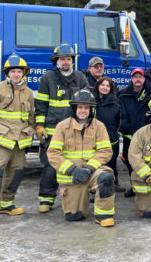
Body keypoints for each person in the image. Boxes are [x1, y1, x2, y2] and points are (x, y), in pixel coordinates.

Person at [0, 53, 35, 223]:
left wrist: (30, 134)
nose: (16, 74)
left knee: (16, 173)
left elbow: (31, 117)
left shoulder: (28, 93)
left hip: (19, 142)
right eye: (13, 71)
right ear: (7, 73)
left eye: (19, 71)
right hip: (0, 140)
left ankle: (6, 204)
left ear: (24, 73)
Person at [46, 89, 115, 227]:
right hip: (72, 177)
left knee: (106, 179)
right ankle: (79, 205)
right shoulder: (62, 127)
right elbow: (53, 153)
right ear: (74, 108)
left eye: (86, 107)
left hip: (92, 172)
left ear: (91, 110)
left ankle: (103, 215)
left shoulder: (99, 126)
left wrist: (90, 167)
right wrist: (72, 170)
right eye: (80, 107)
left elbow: (106, 150)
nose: (83, 110)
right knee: (75, 216)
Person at [35, 43, 89, 213]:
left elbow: (87, 104)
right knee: (51, 166)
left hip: (75, 130)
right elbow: (41, 104)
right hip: (52, 130)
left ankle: (76, 197)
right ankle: (46, 199)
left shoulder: (80, 78)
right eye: (62, 59)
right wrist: (39, 125)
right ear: (56, 61)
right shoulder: (48, 78)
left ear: (72, 61)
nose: (66, 62)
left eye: (68, 59)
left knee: (77, 163)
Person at [118, 68, 151, 197]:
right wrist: (126, 127)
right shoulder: (123, 94)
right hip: (129, 135)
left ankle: (147, 184)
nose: (138, 79)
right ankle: (134, 185)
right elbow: (121, 113)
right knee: (129, 160)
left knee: (145, 160)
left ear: (144, 79)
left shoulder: (150, 94)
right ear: (132, 79)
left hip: (146, 136)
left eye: (140, 77)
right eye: (135, 77)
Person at [94, 76, 125, 192]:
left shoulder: (116, 103)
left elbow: (120, 120)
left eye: (108, 86)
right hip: (95, 139)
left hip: (111, 138)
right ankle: (95, 187)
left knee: (112, 163)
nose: (105, 88)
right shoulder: (92, 102)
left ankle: (114, 182)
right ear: (98, 86)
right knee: (96, 163)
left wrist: (115, 133)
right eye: (102, 85)